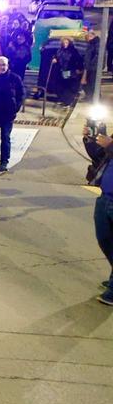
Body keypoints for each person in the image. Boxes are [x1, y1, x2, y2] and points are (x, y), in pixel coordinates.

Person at [83, 126, 113, 306]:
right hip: (105, 196)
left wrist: (110, 146)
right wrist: (89, 140)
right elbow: (100, 156)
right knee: (105, 240)